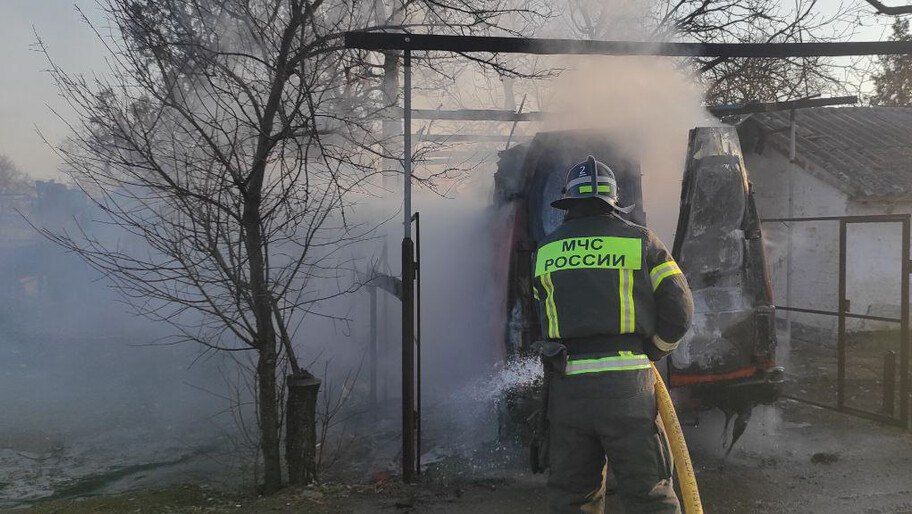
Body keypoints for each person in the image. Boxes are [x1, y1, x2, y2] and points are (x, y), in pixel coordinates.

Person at [531, 155, 694, 513]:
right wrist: (655, 350)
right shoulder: (641, 241)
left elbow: (539, 317)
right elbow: (680, 308)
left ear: (568, 201)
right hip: (627, 389)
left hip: (567, 390)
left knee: (573, 498)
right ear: (614, 201)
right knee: (649, 495)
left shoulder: (545, 250)